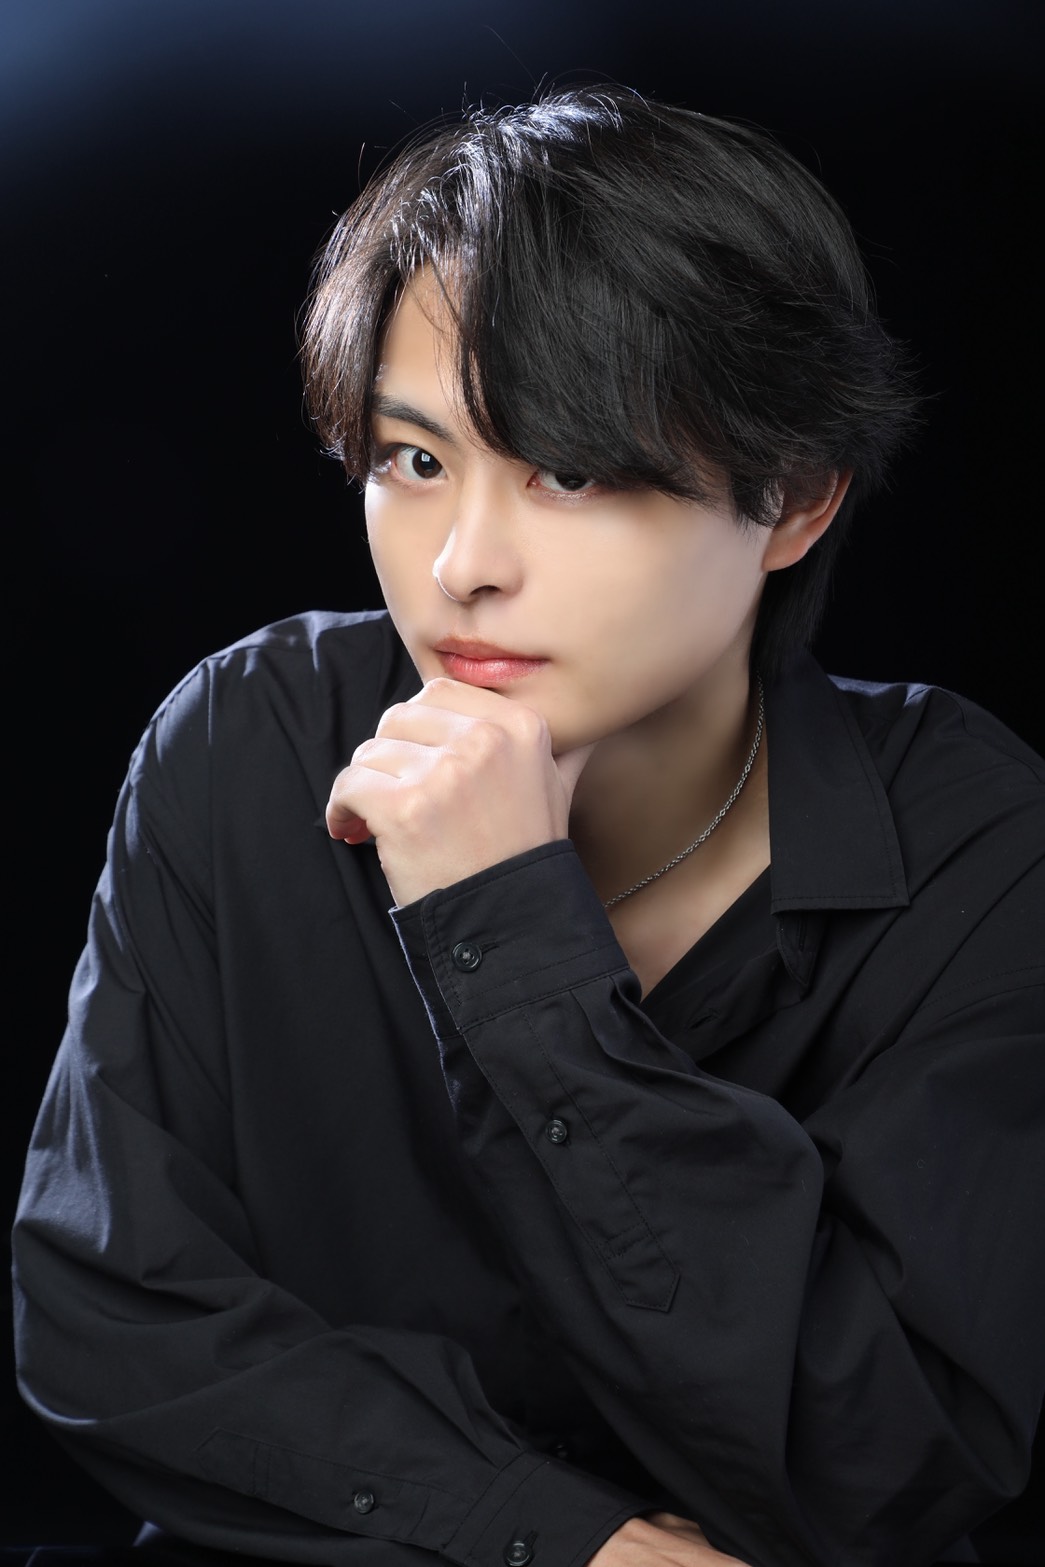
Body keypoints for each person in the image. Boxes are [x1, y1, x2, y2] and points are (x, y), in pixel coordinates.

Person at [12, 85, 1044, 1567]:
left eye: (566, 471)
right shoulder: (250, 739)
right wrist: (565, 1544)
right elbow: (107, 1315)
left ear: (796, 499)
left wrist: (507, 920)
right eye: (415, 461)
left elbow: (888, 1461)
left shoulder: (974, 842)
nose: (462, 567)